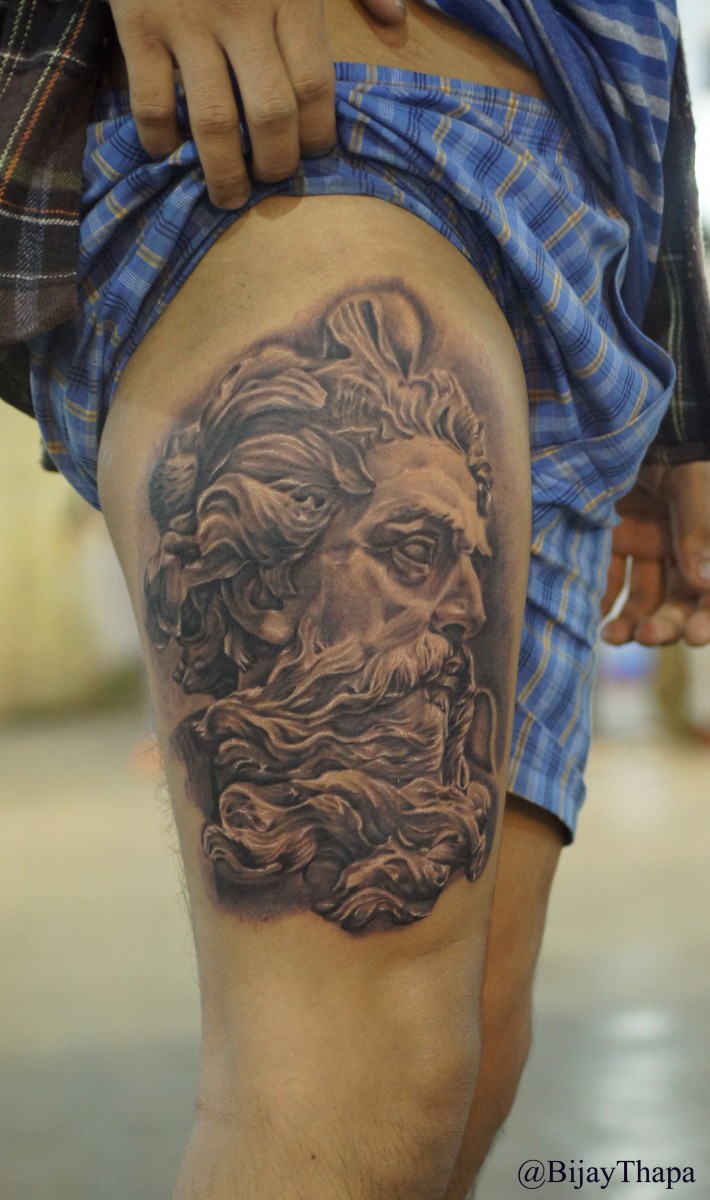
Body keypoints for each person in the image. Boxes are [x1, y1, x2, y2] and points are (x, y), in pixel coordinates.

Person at [2, 2, 710, 1197]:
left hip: (582, 232)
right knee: (352, 1098)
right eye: (408, 557)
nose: (449, 609)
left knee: (459, 1071)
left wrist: (670, 379)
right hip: (306, 125)